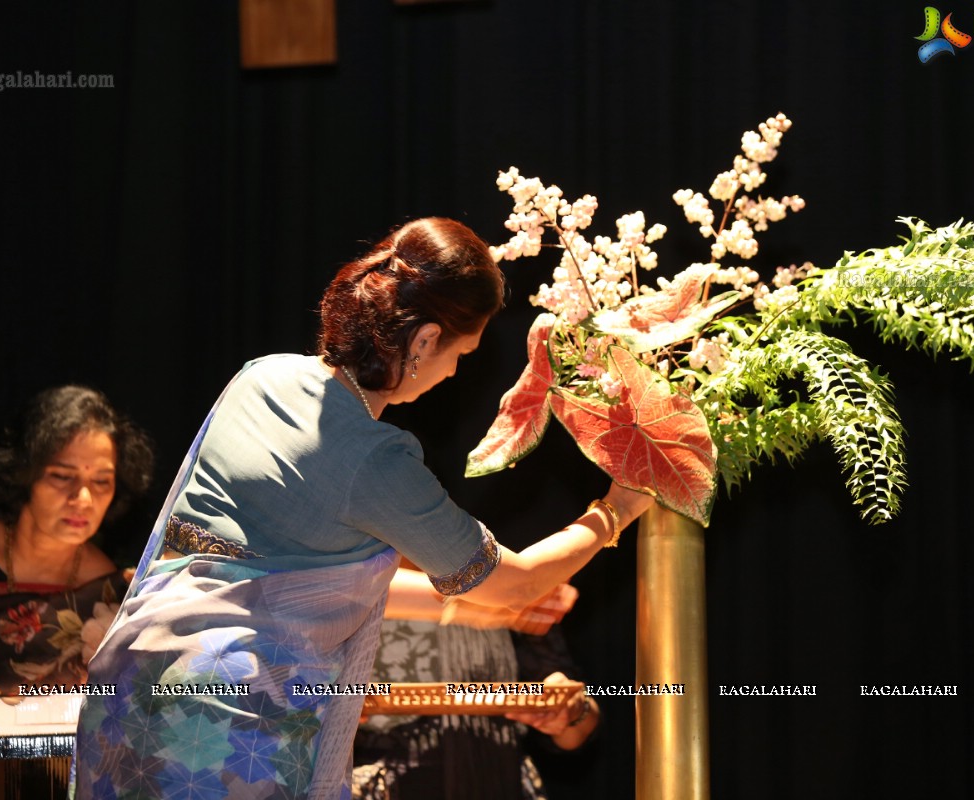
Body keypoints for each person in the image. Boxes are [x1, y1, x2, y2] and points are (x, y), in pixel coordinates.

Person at [73, 217, 653, 799]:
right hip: (224, 723)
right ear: (424, 340)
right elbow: (514, 583)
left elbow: (267, 564)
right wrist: (617, 507)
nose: (454, 373)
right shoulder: (374, 458)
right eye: (461, 354)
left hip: (133, 687)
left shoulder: (260, 378)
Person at [0, 384, 155, 694]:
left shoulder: (109, 592)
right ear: (25, 473)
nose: (83, 498)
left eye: (102, 481)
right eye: (63, 476)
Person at [352, 567, 599, 800]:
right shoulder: (347, 579)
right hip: (385, 786)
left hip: (502, 780)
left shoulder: (502, 578)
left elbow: (578, 729)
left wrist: (572, 710)